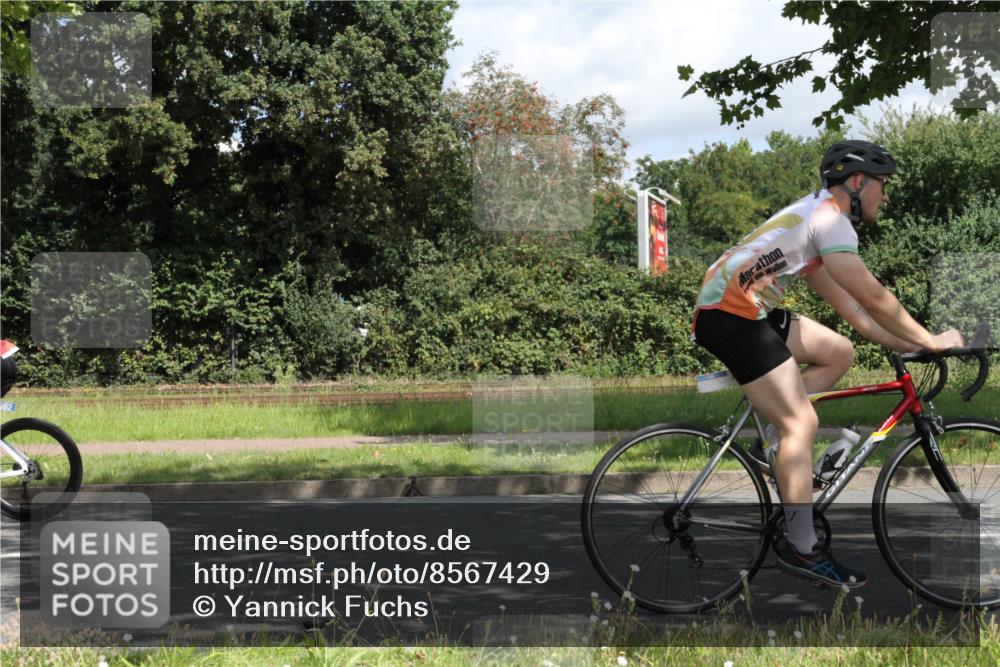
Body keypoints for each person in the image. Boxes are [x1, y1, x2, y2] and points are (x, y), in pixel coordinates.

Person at [690, 140, 964, 588]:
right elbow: (874, 295)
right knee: (802, 423)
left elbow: (857, 314)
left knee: (839, 351)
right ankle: (803, 547)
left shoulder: (813, 220)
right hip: (732, 314)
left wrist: (910, 347)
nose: (886, 196)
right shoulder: (829, 222)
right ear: (858, 182)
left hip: (739, 307)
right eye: (883, 185)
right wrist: (930, 338)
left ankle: (775, 445)